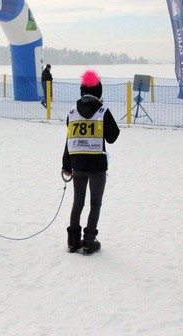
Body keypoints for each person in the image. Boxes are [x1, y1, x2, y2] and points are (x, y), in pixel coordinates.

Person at [61, 70, 120, 256]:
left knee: (77, 202)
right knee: (95, 203)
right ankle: (88, 241)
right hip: (97, 166)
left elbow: (69, 140)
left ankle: (72, 241)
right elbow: (113, 137)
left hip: (77, 164)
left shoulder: (72, 112)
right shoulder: (103, 111)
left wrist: (66, 165)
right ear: (99, 91)